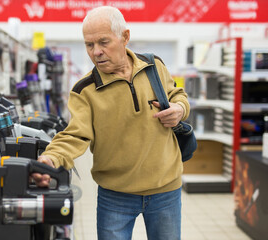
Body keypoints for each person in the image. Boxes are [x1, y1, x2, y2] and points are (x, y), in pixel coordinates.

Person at [33, 6, 190, 240]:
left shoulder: (154, 66)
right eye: (89, 45)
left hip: (165, 189)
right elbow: (75, 135)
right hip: (116, 196)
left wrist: (179, 109)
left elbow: (178, 95)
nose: (96, 52)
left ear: (125, 37)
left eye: (103, 42)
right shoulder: (84, 90)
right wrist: (50, 158)